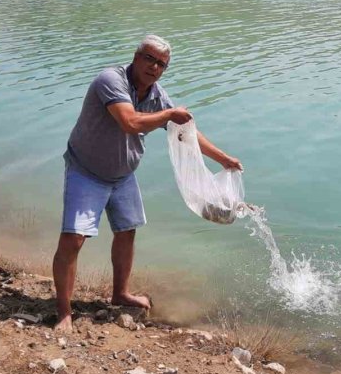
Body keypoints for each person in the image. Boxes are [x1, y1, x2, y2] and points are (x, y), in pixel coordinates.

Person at [52, 34, 242, 333]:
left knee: (127, 232)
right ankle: (64, 310)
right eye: (150, 59)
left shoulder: (156, 95)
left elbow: (187, 134)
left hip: (123, 174)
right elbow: (129, 122)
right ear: (136, 56)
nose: (154, 67)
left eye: (162, 64)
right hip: (86, 170)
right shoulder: (110, 80)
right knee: (74, 238)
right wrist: (168, 114)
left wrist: (223, 159)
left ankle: (120, 293)